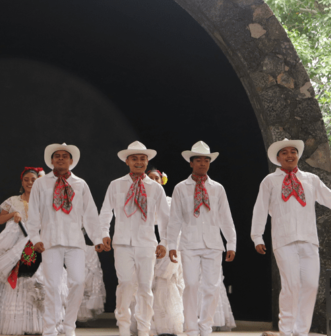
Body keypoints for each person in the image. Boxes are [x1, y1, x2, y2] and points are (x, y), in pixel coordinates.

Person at [251, 138, 331, 336]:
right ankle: (286, 330)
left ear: (298, 155)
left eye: (293, 151)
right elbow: (259, 210)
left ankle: (301, 331)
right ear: (278, 158)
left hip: (309, 239)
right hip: (283, 239)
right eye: (284, 153)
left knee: (310, 285)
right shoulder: (270, 181)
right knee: (291, 285)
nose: (290, 155)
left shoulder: (311, 179)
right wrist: (257, 237)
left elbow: (330, 197)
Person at [28, 143, 105, 336]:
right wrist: (35, 238)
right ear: (51, 160)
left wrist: (97, 238)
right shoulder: (41, 183)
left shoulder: (80, 184)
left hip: (75, 241)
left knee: (78, 282)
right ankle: (50, 329)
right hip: (50, 241)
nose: (61, 159)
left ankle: (69, 325)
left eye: (65, 156)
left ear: (71, 161)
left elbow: (90, 214)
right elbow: (33, 213)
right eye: (57, 156)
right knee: (52, 285)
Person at [98, 141, 169, 336]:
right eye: (135, 158)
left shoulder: (155, 188)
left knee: (146, 287)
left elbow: (164, 218)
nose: (139, 162)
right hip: (122, 243)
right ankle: (123, 327)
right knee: (126, 284)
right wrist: (104, 233)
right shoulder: (116, 184)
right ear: (127, 161)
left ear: (147, 161)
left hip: (146, 243)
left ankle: (144, 329)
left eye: (142, 159)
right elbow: (105, 212)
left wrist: (164, 242)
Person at [167, 141, 237, 336]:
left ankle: (205, 326)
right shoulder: (181, 188)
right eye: (198, 160)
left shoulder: (217, 188)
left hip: (213, 244)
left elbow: (226, 218)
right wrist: (171, 244)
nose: (202, 163)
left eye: (206, 160)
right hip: (189, 243)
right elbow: (175, 219)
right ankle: (190, 327)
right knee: (190, 285)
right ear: (191, 163)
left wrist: (231, 243)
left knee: (212, 287)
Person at [0, 167, 48, 334]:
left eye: (33, 179)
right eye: (26, 179)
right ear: (22, 182)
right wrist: (13, 215)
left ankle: (38, 324)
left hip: (37, 242)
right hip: (16, 244)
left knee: (37, 279)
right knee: (18, 279)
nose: (30, 182)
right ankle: (18, 324)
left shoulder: (44, 200)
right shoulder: (13, 201)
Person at [147, 166, 185, 335]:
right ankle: (148, 325)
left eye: (157, 178)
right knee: (147, 285)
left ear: (162, 181)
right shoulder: (141, 201)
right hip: (148, 246)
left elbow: (176, 227)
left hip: (169, 247)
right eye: (150, 178)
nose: (154, 181)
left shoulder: (170, 202)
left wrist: (171, 248)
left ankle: (168, 326)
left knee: (166, 283)